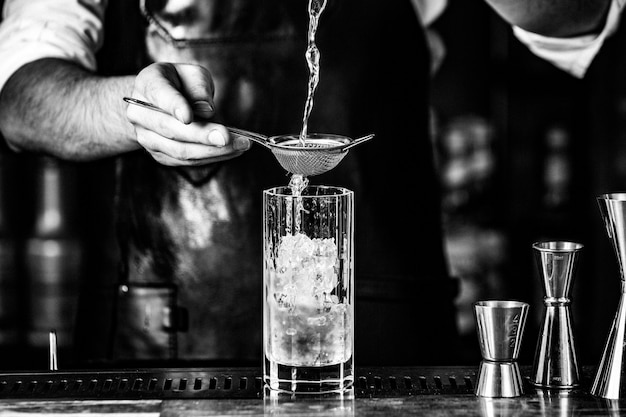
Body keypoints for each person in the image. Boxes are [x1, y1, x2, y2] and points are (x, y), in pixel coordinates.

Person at [0, 0, 613, 367]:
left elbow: (577, 21)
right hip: (159, 338)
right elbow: (20, 100)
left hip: (389, 338)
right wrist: (133, 111)